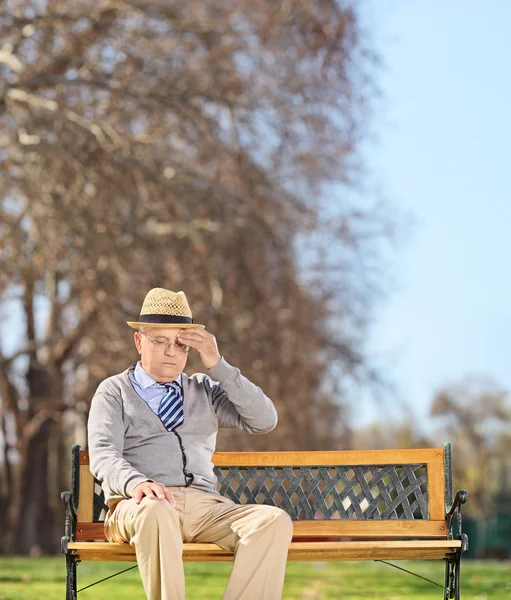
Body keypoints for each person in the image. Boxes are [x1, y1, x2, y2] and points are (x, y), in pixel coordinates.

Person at [87, 287, 293, 600]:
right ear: (139, 341)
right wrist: (138, 483)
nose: (172, 352)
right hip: (139, 507)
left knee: (272, 521)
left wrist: (218, 364)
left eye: (181, 344)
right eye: (161, 341)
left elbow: (264, 420)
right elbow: (103, 454)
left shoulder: (205, 390)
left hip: (205, 508)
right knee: (155, 510)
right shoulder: (113, 391)